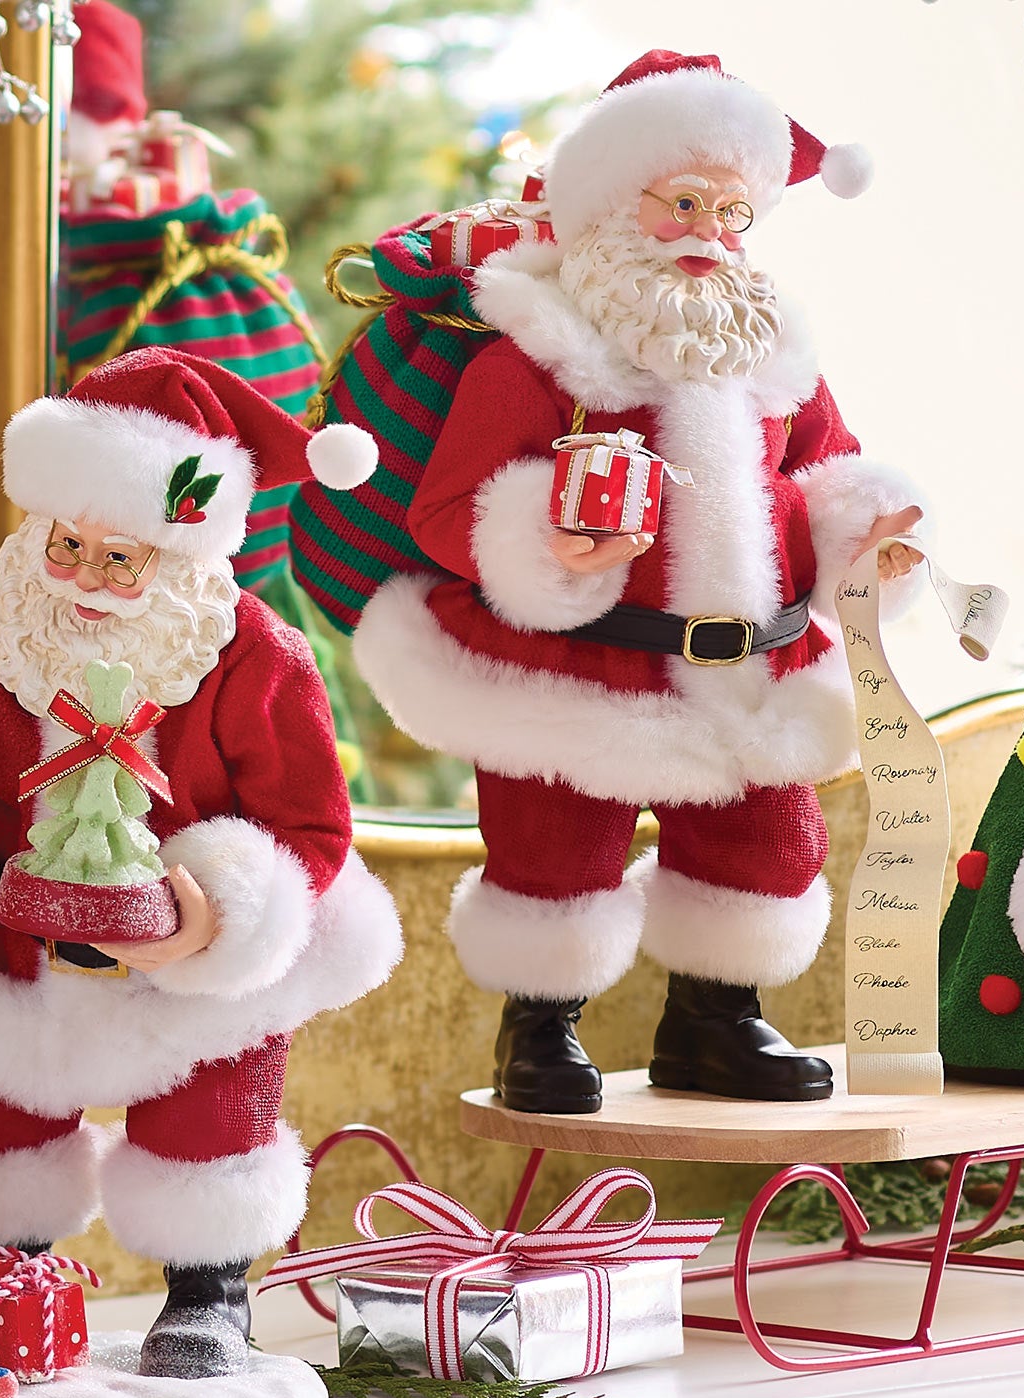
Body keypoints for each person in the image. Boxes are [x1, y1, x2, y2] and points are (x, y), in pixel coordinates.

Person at [0, 348, 398, 1378]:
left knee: (212, 1111)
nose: (83, 579)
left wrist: (220, 914)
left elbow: (309, 825)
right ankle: (5, 1270)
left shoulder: (259, 658)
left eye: (123, 560)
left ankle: (209, 1290)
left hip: (186, 946)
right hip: (7, 932)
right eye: (67, 544)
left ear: (189, 547)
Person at [350, 50, 935, 1115]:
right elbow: (447, 511)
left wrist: (869, 533)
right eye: (684, 202)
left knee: (758, 847)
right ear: (615, 204)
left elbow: (825, 471)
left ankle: (715, 1019)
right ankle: (539, 1026)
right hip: (581, 656)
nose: (712, 231)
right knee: (552, 853)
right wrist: (541, 546)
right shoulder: (533, 358)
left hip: (745, 663)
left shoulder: (773, 353)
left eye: (733, 210)